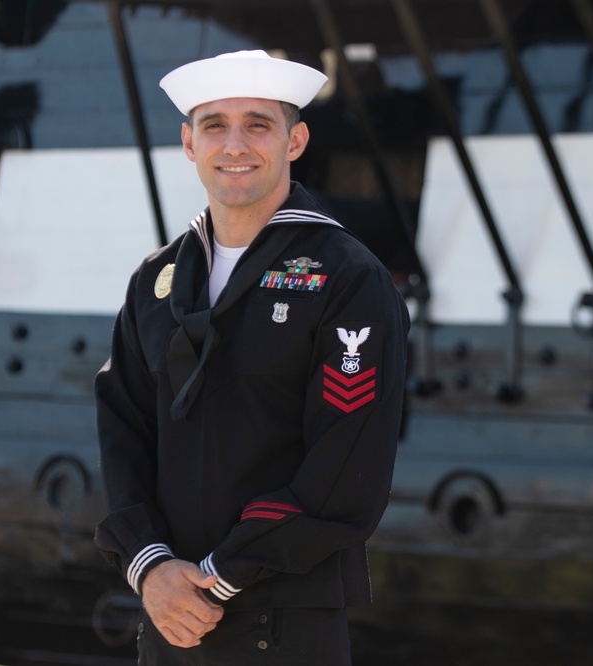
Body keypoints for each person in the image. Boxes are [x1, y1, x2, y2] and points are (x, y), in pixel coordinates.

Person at [94, 49, 410, 665]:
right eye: (215, 125)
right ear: (190, 143)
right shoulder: (155, 281)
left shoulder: (348, 279)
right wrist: (151, 569)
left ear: (296, 140)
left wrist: (217, 574)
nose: (234, 144)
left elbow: (346, 469)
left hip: (282, 623)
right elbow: (123, 431)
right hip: (168, 619)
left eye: (258, 124)